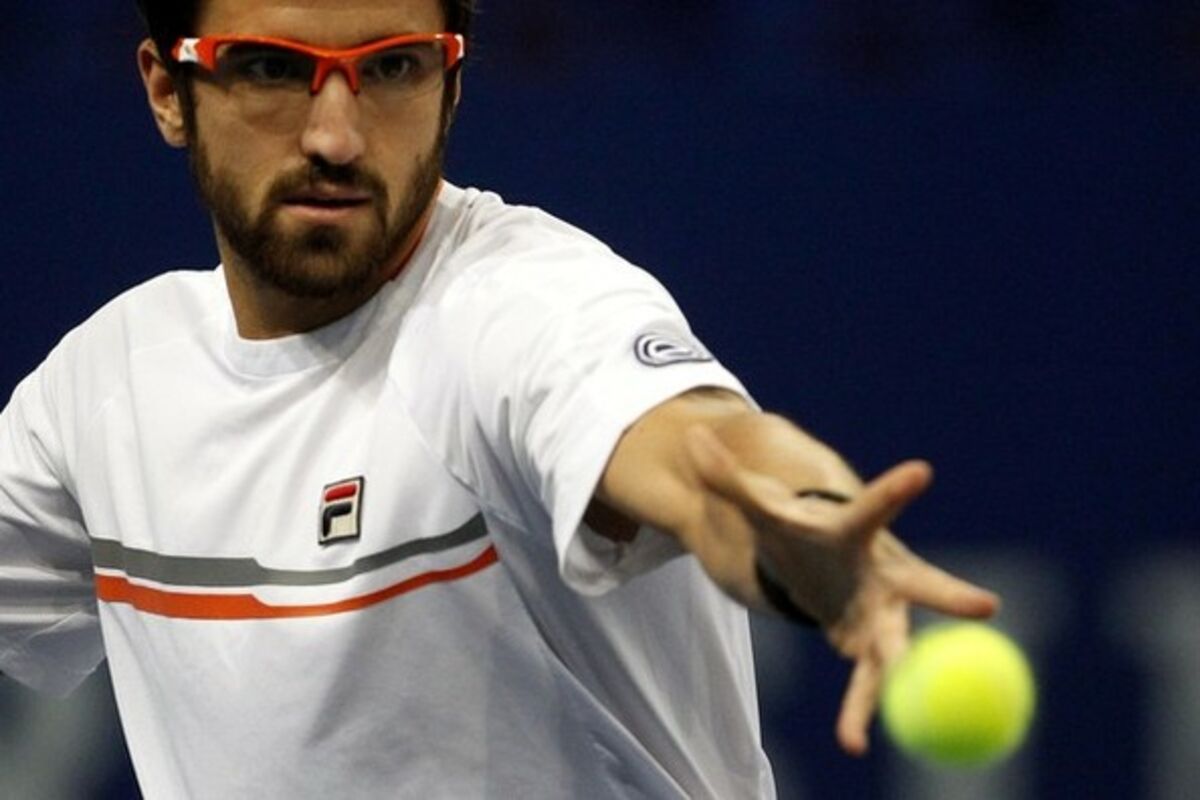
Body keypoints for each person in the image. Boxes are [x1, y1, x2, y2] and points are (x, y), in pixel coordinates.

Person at [0, 0, 999, 797]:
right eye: (270, 67)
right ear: (168, 90)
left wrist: (793, 518)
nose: (336, 135)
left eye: (394, 67)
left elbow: (694, 448)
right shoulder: (104, 388)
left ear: (452, 84)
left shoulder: (520, 305)